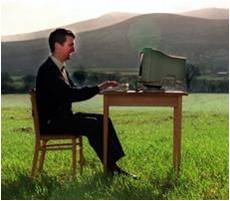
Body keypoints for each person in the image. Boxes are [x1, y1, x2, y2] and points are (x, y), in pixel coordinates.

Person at [36, 28, 137, 178]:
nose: (73, 49)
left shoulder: (59, 68)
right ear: (58, 46)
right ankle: (112, 168)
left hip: (63, 119)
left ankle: (112, 166)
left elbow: (73, 90)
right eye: (70, 45)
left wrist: (100, 88)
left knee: (103, 120)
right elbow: (70, 94)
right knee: (93, 125)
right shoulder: (49, 70)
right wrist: (98, 88)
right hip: (52, 124)